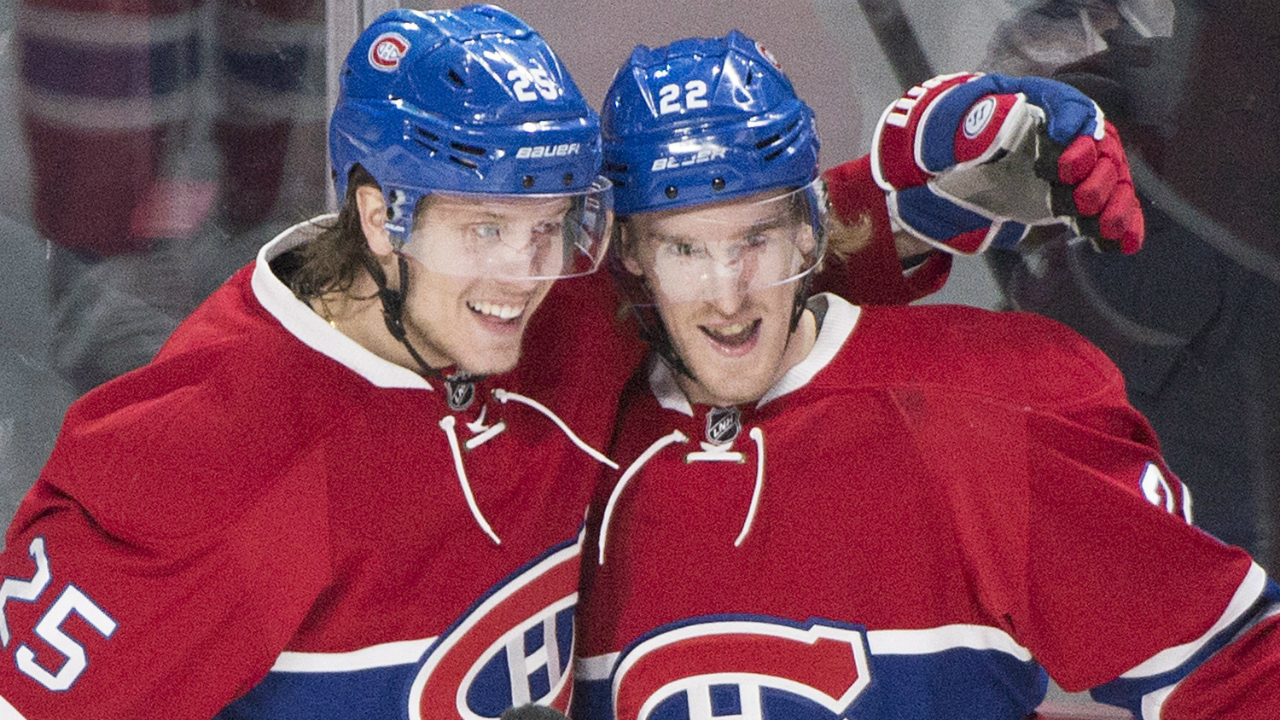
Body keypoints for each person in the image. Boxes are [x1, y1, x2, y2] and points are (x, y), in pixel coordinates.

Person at [0, 6, 1145, 718]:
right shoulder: (201, 461)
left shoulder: (540, 307)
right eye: (483, 228)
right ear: (376, 212)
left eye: (553, 221)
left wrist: (923, 192)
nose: (524, 270)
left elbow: (712, 271)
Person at [572, 32, 1279, 720]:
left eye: (755, 237)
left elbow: (1236, 675)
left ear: (809, 227)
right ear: (628, 253)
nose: (727, 296)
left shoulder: (982, 409)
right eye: (684, 249)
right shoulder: (573, 449)